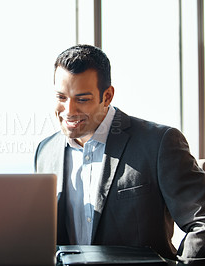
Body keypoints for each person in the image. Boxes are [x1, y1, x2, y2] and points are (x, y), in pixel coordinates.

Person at [34, 44, 205, 262]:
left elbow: (202, 221)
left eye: (82, 99)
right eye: (61, 97)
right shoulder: (45, 152)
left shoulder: (159, 143)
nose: (69, 110)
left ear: (107, 96)